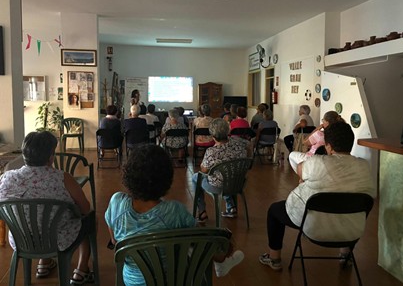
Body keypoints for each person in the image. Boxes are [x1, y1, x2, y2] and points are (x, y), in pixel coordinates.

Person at [105, 145, 244, 285]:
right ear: (166, 178)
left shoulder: (116, 202)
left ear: (129, 174)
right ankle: (222, 260)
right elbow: (201, 238)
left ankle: (221, 261)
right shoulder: (174, 211)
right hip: (173, 279)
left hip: (132, 281)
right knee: (210, 241)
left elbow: (115, 241)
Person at [258, 122, 376, 271]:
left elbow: (300, 169)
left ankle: (274, 258)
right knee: (346, 204)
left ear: (329, 146)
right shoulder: (364, 166)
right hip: (352, 230)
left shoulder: (317, 162)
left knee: (274, 211)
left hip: (314, 227)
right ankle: (345, 255)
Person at [0, 131, 94, 285]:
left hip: (20, 239)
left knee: (37, 217)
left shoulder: (7, 177)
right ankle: (82, 270)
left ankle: (44, 263)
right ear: (51, 157)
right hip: (57, 240)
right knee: (89, 218)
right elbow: (85, 208)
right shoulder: (62, 178)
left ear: (24, 154)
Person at [192, 118, 249, 221]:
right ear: (228, 131)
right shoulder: (240, 144)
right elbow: (248, 151)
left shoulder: (212, 151)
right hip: (238, 183)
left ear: (212, 136)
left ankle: (202, 212)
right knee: (226, 175)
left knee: (196, 177)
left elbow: (203, 170)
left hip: (218, 187)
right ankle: (231, 207)